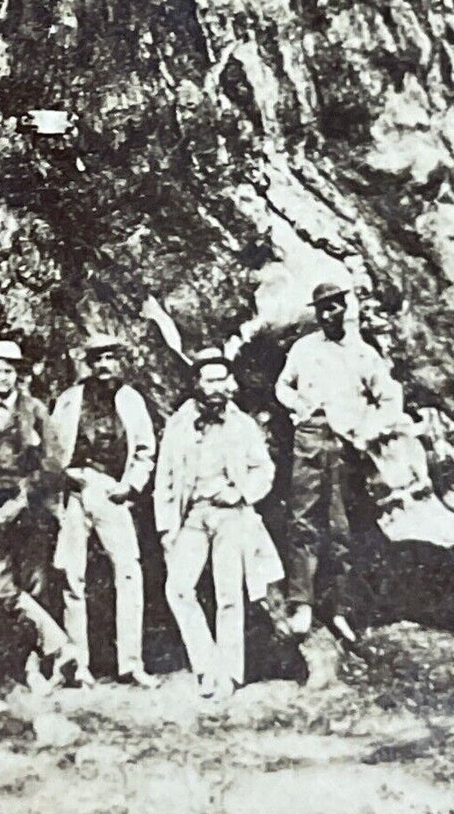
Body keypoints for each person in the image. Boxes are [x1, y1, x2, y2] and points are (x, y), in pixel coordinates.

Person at [0, 338, 78, 689]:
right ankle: (59, 644)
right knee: (0, 590)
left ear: (19, 374)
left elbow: (54, 463)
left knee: (34, 586)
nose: (2, 378)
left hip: (28, 508)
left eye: (9, 371)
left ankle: (34, 672)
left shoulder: (35, 410)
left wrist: (23, 498)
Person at [155, 349, 282, 698]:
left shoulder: (242, 424)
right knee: (178, 589)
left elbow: (264, 469)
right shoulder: (180, 423)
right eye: (208, 380)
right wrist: (166, 527)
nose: (216, 388)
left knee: (229, 594)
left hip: (231, 515)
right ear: (196, 383)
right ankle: (206, 666)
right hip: (193, 516)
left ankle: (228, 675)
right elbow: (164, 476)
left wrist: (240, 492)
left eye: (221, 379)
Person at [274, 282, 399, 638]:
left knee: (343, 529)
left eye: (334, 307)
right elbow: (283, 386)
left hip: (347, 445)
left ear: (346, 308)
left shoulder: (364, 354)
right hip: (310, 439)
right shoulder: (303, 349)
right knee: (303, 521)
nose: (328, 315)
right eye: (321, 309)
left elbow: (390, 399)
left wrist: (368, 429)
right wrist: (300, 408)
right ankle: (302, 605)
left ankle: (342, 608)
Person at [48, 330, 157, 687]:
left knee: (128, 573)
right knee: (72, 577)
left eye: (110, 357)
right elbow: (51, 450)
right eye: (97, 359)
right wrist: (67, 477)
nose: (104, 365)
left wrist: (130, 486)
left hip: (112, 492)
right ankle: (78, 665)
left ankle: (131, 663)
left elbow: (145, 450)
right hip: (76, 492)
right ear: (88, 363)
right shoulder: (68, 400)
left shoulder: (131, 401)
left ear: (119, 361)